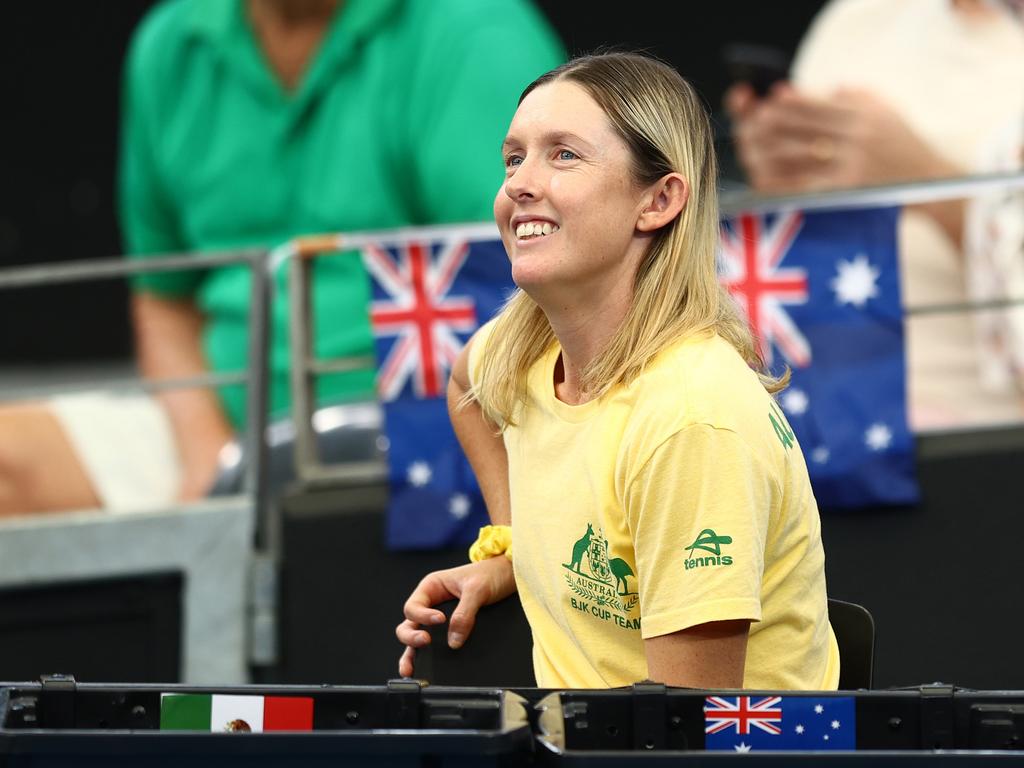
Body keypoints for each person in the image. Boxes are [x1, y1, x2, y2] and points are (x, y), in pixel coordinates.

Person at [0, 0, 564, 516]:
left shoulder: (474, 32)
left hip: (432, 434)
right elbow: (164, 304)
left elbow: (542, 278)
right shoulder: (171, 45)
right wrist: (210, 461)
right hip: (222, 427)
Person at [395, 51, 840, 690]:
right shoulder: (526, 348)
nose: (519, 183)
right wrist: (512, 550)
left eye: (564, 155)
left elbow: (682, 736)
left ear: (659, 200)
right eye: (514, 158)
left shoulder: (691, 420)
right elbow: (468, 384)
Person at [723, 0, 1024, 432]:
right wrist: (781, 177)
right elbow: (804, 248)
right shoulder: (856, 19)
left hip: (990, 445)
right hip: (850, 437)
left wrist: (924, 180)